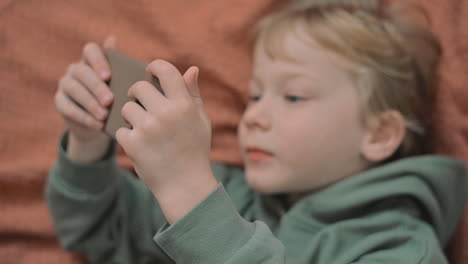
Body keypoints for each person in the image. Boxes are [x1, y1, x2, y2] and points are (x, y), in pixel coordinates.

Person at [45, 0, 467, 263]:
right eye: (255, 96)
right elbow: (96, 231)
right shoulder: (230, 194)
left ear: (378, 135)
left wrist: (191, 196)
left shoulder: (400, 247)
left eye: (294, 97)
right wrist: (87, 142)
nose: (253, 117)